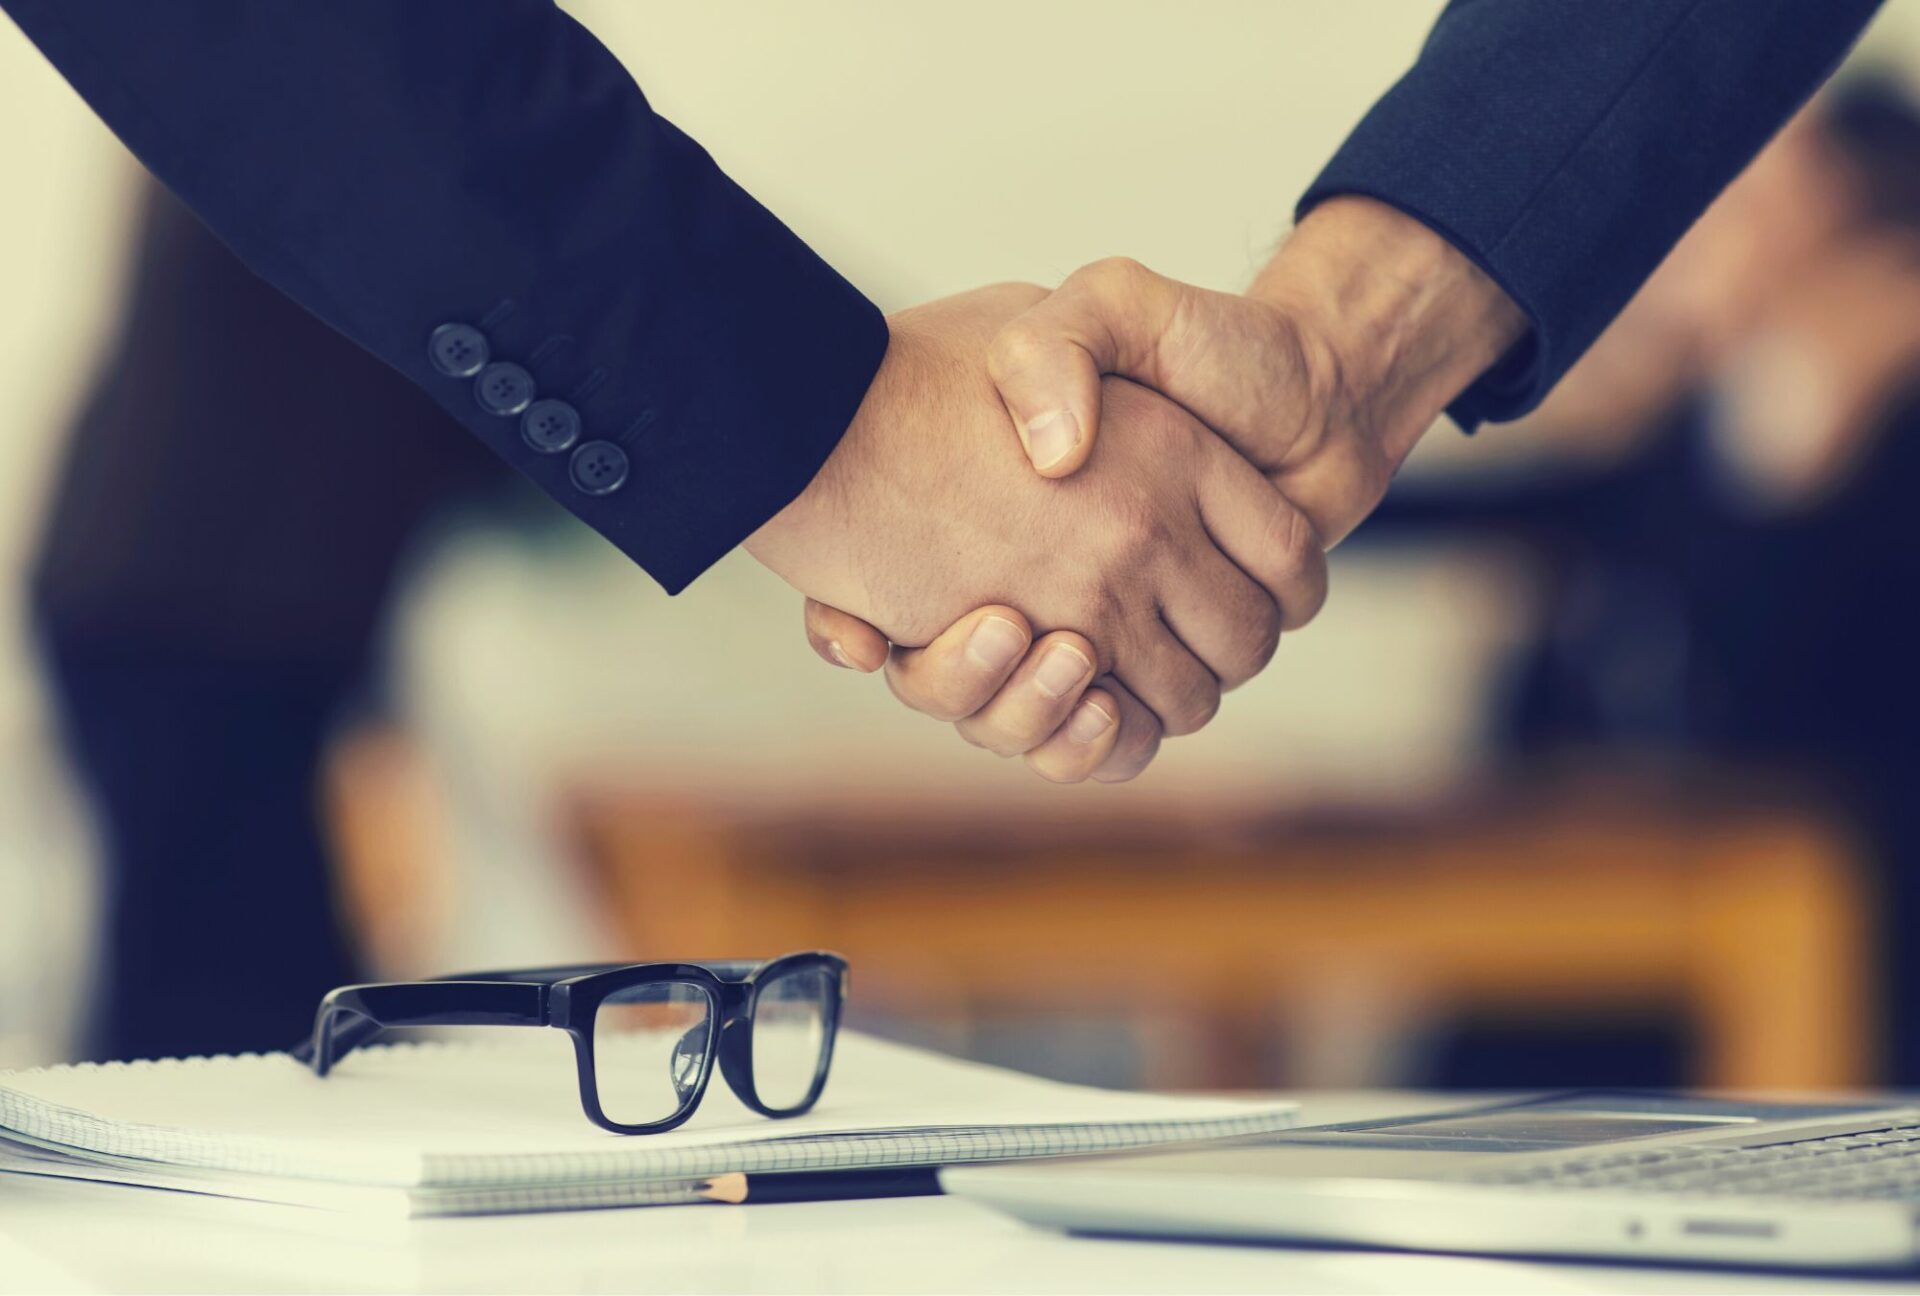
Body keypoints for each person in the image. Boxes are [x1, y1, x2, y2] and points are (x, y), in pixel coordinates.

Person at [1, 0, 1878, 1058]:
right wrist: (864, 444)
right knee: (218, 1002)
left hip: (187, 601)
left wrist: (891, 452)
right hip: (193, 619)